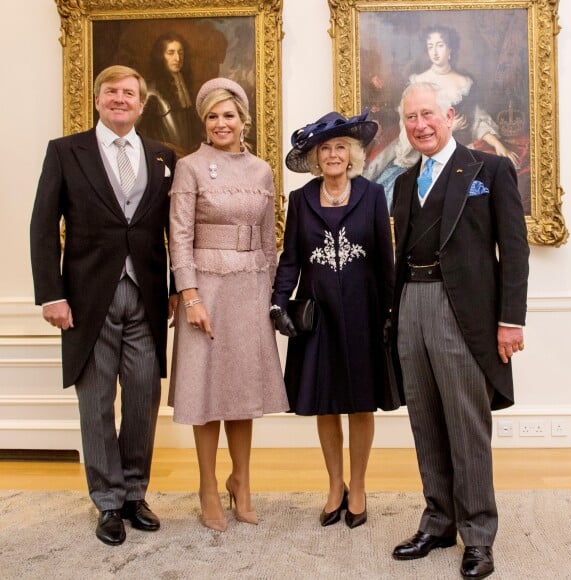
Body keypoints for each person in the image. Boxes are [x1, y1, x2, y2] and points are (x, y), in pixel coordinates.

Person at [30, 65, 177, 546]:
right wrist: (51, 293)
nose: (120, 98)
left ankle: (135, 493)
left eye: (129, 93)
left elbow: (174, 231)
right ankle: (108, 502)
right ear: (97, 101)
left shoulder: (161, 156)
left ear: (141, 103)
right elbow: (42, 225)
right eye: (111, 92)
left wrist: (177, 288)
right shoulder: (65, 151)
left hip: (148, 297)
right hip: (86, 298)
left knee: (141, 399)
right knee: (95, 403)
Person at [390, 82, 529, 579]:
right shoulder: (405, 183)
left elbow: (514, 248)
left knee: (468, 427)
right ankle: (438, 520)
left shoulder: (489, 169)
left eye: (428, 114)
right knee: (425, 421)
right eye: (410, 118)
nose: (420, 125)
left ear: (450, 116)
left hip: (462, 312)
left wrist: (511, 319)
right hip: (411, 305)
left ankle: (478, 535)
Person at [168, 77, 288, 532]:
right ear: (205, 122)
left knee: (241, 392)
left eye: (229, 115)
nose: (222, 123)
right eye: (213, 116)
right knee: (206, 393)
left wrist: (275, 298)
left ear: (243, 120)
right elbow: (177, 236)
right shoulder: (190, 167)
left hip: (251, 287)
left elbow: (268, 239)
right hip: (207, 290)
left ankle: (242, 480)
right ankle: (205, 486)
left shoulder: (261, 170)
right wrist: (190, 295)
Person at [271, 111, 401, 529]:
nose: (332, 154)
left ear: (353, 155)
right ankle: (334, 486)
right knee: (326, 405)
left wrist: (390, 313)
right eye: (324, 148)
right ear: (315, 158)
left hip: (364, 315)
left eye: (340, 147)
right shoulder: (302, 199)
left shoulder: (372, 195)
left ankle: (358, 487)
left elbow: (385, 259)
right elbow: (290, 259)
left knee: (361, 404)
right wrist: (277, 302)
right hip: (318, 315)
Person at [365, 26, 519, 210]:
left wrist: (497, 143)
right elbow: (410, 128)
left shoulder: (464, 82)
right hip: (421, 155)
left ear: (450, 49)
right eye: (430, 46)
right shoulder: (417, 81)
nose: (435, 52)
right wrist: (447, 129)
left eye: (440, 45)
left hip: (460, 150)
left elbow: (477, 119)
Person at [138, 33, 202, 156]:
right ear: (160, 56)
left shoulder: (185, 86)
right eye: (171, 53)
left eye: (181, 53)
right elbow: (133, 130)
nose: (177, 58)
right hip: (162, 159)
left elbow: (194, 129)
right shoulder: (151, 90)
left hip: (188, 158)